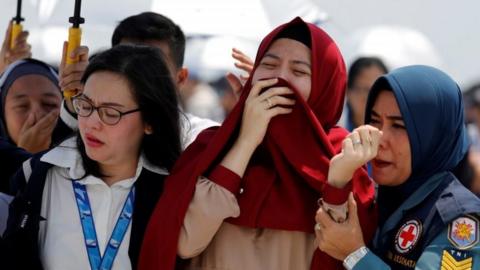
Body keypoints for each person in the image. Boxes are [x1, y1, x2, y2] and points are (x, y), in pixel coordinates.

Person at [138, 17, 377, 270]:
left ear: (324, 87)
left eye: (298, 71)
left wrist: (337, 182)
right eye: (269, 65)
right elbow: (185, 242)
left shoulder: (342, 155)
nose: (279, 79)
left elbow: (341, 256)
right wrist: (246, 140)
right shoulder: (211, 146)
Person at [2, 45, 182, 270]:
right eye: (85, 106)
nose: (91, 123)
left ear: (150, 122)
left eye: (110, 113)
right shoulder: (40, 175)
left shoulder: (173, 190)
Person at [315, 65, 480, 269]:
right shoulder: (373, 198)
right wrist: (338, 180)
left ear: (434, 137)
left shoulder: (458, 218)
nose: (380, 138)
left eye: (399, 126)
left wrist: (355, 255)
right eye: (374, 121)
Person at [59, 12, 219, 148]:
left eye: (152, 68)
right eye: (124, 66)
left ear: (180, 78)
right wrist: (78, 99)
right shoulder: (92, 130)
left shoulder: (202, 140)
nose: (136, 79)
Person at [344, 57, 388, 131]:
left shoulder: (404, 137)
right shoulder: (332, 137)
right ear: (348, 92)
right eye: (365, 90)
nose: (373, 98)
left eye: (378, 90)